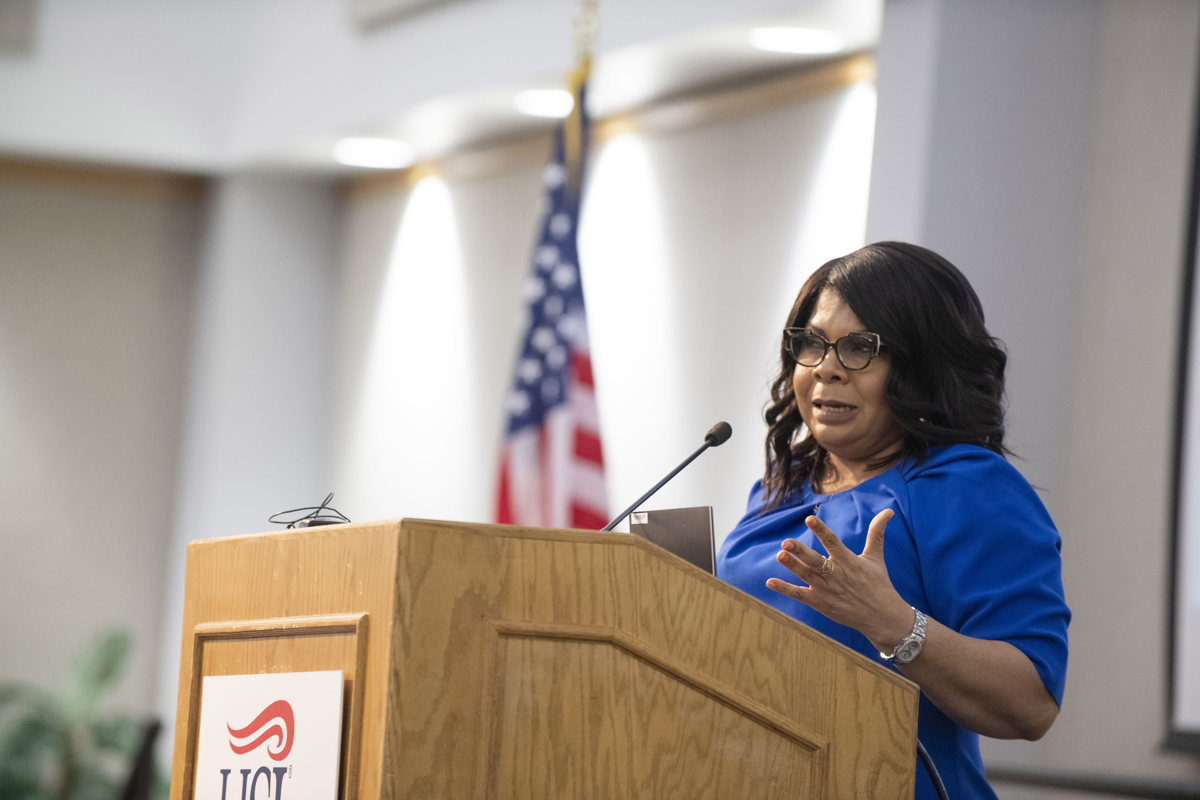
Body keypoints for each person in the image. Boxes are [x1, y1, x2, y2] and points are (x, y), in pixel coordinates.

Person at [716, 242, 1069, 800]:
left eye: (861, 349)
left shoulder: (964, 487)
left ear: (922, 365)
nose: (827, 368)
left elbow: (1030, 705)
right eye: (812, 343)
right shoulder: (778, 489)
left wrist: (893, 624)